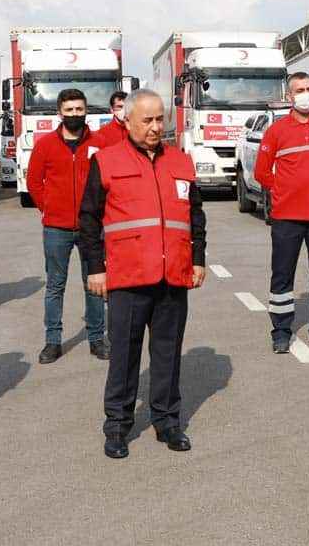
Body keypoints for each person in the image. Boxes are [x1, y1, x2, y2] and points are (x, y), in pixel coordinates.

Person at [79, 89, 207, 459]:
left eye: (159, 119)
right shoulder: (106, 161)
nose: (155, 127)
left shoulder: (180, 161)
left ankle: (167, 421)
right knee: (124, 356)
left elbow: (195, 215)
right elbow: (88, 220)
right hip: (129, 277)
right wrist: (95, 269)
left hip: (172, 275)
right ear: (128, 121)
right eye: (147, 120)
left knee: (168, 353)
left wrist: (198, 259)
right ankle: (117, 426)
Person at [254, 71, 309, 353]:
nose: (306, 94)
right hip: (286, 217)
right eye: (300, 90)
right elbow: (261, 172)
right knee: (282, 275)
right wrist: (285, 189)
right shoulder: (276, 131)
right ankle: (281, 331)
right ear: (289, 96)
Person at [27, 88, 108, 363]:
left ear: (86, 111)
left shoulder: (99, 143)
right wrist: (49, 208)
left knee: (94, 284)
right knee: (55, 286)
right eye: (69, 110)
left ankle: (97, 338)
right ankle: (53, 341)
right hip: (56, 228)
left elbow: (108, 180)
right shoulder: (45, 145)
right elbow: (34, 182)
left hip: (90, 228)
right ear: (60, 112)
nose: (75, 114)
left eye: (79, 109)